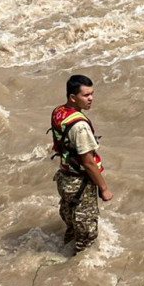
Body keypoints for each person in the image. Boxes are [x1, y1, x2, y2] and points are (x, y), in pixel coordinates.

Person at [49, 74, 112, 253]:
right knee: (87, 233)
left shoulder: (59, 111)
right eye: (86, 95)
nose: (91, 99)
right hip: (80, 183)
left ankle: (65, 249)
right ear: (73, 97)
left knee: (71, 221)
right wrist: (104, 189)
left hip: (65, 178)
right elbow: (88, 162)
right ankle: (73, 262)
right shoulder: (80, 127)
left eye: (92, 94)